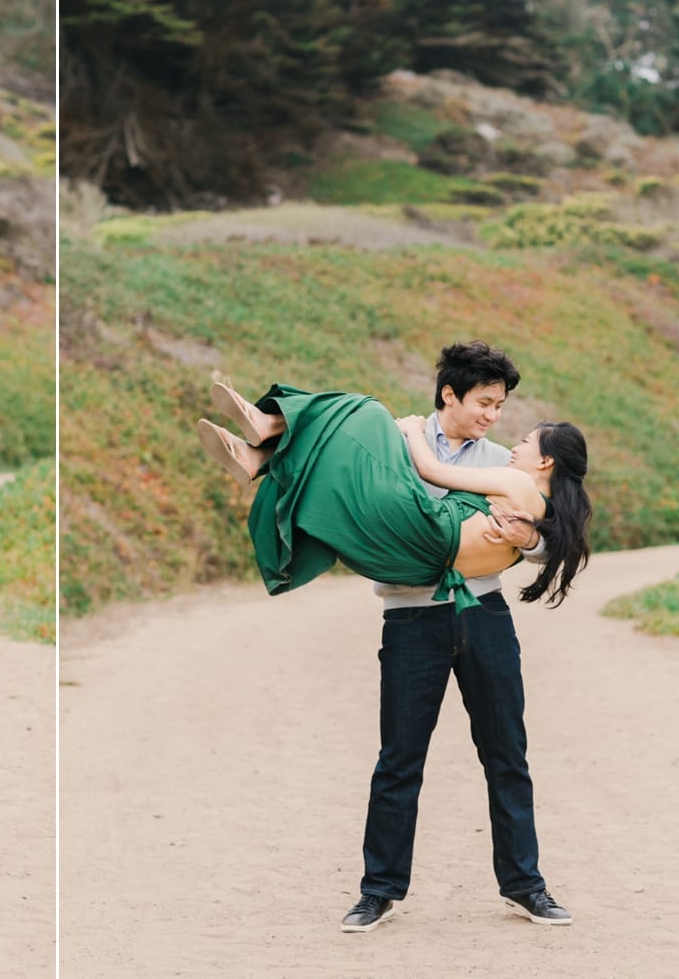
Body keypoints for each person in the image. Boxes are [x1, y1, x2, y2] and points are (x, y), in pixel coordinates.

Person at [197, 341, 590, 930]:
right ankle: (379, 890)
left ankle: (525, 886)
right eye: (483, 402)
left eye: (499, 406)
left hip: (483, 617)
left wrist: (529, 539)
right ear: (449, 395)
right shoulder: (396, 440)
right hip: (411, 616)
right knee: (399, 759)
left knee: (506, 754)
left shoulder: (502, 463)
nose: (492, 417)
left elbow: (549, 540)